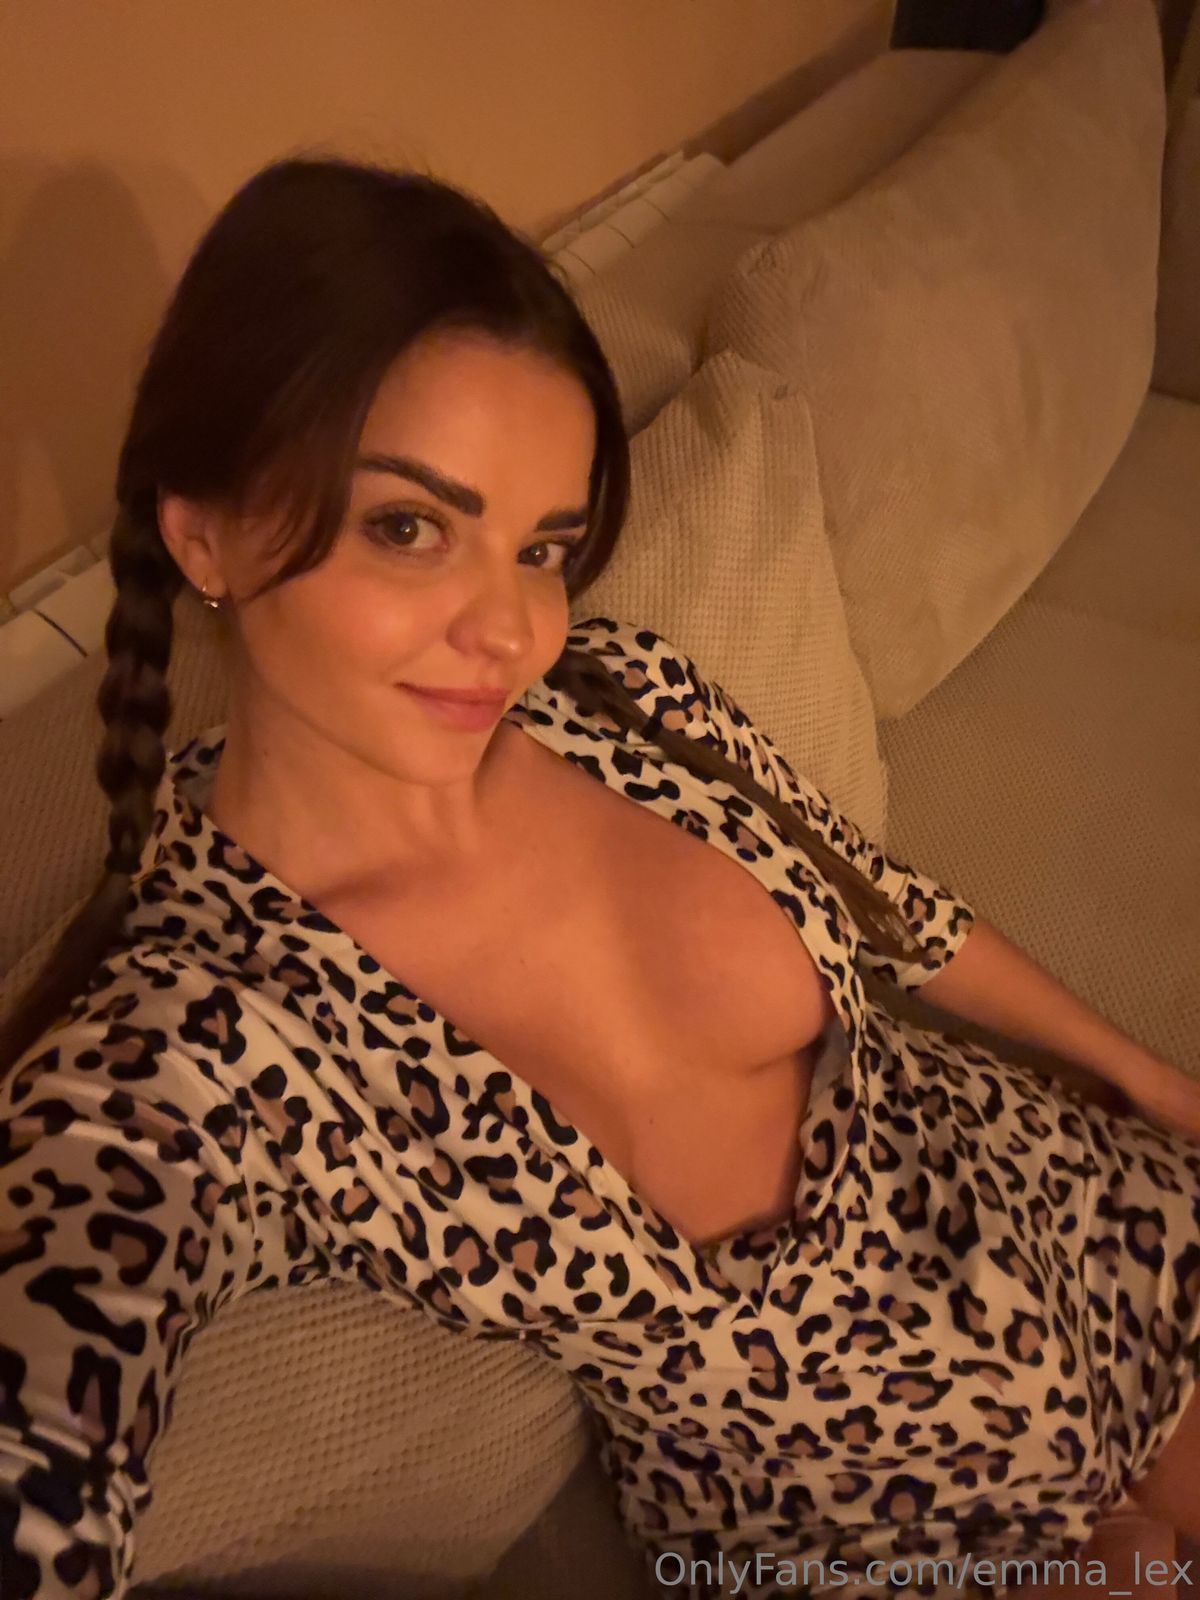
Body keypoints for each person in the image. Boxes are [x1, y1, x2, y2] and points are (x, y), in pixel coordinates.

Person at [0, 157, 1197, 1600]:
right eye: (410, 527)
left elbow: (886, 906)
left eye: (544, 548)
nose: (511, 632)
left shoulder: (624, 698)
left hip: (1081, 1227)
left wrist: (1148, 1078)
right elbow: (58, 1356)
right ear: (202, 533)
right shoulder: (204, 1037)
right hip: (872, 1523)